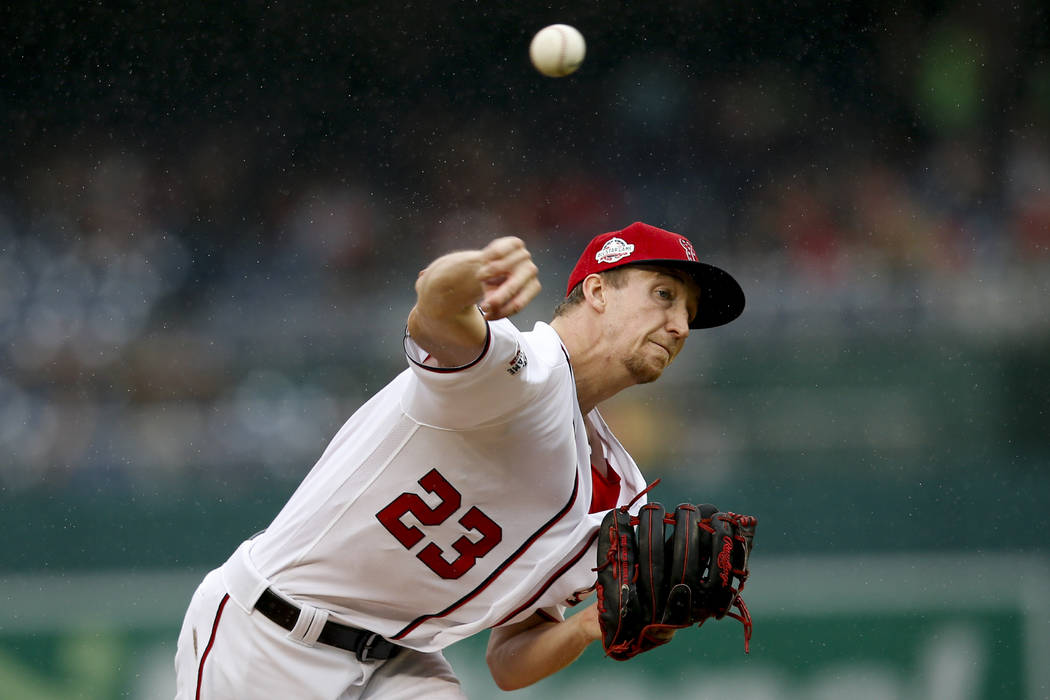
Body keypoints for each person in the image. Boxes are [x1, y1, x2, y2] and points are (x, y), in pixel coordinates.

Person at [174, 221, 745, 699]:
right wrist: (462, 276)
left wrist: (587, 628)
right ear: (597, 292)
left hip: (402, 664)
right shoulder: (521, 371)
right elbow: (435, 313)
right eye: (664, 294)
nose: (679, 325)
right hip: (270, 634)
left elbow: (508, 661)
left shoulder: (617, 492)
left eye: (690, 314)